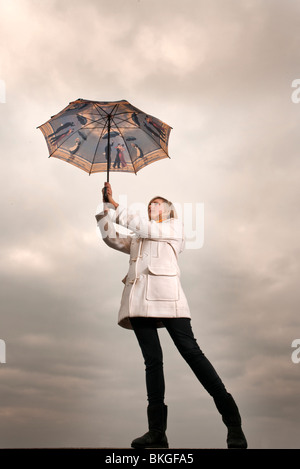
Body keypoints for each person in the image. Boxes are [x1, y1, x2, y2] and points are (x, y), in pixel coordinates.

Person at [95, 182, 247, 449]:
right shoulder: (141, 236)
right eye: (150, 203)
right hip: (140, 301)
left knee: (192, 354)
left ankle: (233, 423)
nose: (152, 205)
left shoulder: (173, 228)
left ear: (169, 210)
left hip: (168, 298)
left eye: (158, 203)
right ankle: (157, 432)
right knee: (152, 362)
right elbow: (112, 238)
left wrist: (119, 206)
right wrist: (107, 206)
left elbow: (144, 226)